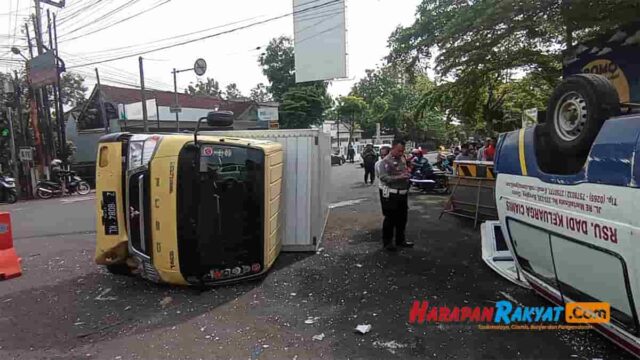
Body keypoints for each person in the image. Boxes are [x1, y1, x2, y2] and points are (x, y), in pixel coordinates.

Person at [378, 139, 414, 251]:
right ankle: (388, 243)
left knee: (402, 219)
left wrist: (409, 171)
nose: (401, 153)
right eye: (399, 151)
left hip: (403, 193)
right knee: (390, 219)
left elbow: (405, 169)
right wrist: (399, 177)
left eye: (402, 151)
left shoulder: (403, 158)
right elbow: (383, 177)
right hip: (392, 194)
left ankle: (400, 240)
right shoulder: (385, 161)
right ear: (393, 148)